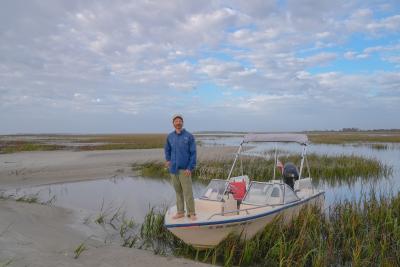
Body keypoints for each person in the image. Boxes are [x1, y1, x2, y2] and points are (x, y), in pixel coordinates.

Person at [164, 114, 197, 220]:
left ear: (182, 123)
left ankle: (192, 213)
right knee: (178, 192)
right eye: (176, 121)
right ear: (173, 123)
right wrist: (168, 160)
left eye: (180, 121)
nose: (178, 122)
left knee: (188, 192)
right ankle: (180, 212)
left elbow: (193, 153)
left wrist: (190, 168)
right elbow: (167, 149)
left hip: (185, 170)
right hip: (173, 169)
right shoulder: (170, 136)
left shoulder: (189, 136)